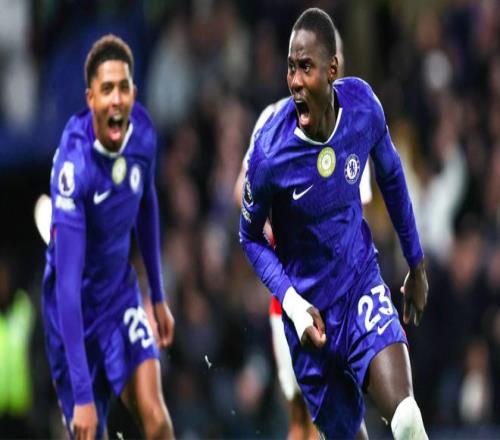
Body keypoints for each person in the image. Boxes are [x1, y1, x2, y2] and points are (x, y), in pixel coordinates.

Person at [239, 8, 428, 439]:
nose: (295, 80)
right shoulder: (270, 151)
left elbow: (392, 177)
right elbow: (248, 236)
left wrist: (416, 263)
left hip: (360, 288)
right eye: (291, 68)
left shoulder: (362, 107)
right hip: (310, 322)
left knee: (407, 420)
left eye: (305, 67)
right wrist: (292, 305)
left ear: (332, 70)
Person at [234, 25, 372, 440]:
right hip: (291, 298)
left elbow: (357, 213)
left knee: (339, 415)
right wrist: (271, 220)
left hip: (342, 296)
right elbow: (242, 189)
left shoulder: (351, 125)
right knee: (300, 413)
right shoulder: (272, 123)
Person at [41, 34, 175, 440]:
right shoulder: (75, 167)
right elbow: (67, 288)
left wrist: (157, 295)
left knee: (157, 419)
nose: (116, 99)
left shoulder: (144, 136)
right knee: (90, 430)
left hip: (119, 297)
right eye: (106, 90)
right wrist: (82, 395)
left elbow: (146, 204)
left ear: (134, 91)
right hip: (74, 316)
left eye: (123, 88)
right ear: (90, 99)